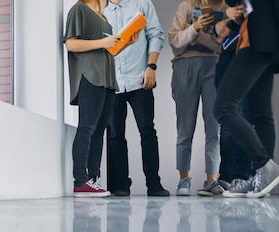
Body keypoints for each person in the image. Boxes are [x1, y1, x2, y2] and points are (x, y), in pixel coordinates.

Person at [64, 0, 138, 198]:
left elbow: (108, 50)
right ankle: (80, 182)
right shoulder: (79, 9)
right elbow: (70, 43)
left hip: (107, 78)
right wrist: (103, 42)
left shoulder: (103, 18)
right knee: (87, 127)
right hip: (90, 75)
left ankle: (93, 180)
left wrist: (126, 43)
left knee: (99, 131)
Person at [103, 0, 170, 197]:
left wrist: (151, 67)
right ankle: (121, 185)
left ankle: (154, 184)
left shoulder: (142, 3)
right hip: (112, 82)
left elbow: (155, 35)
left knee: (147, 131)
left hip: (140, 79)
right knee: (115, 135)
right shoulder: (102, 10)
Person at [214, 0, 279, 198]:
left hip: (258, 41)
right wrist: (231, 23)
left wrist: (228, 12)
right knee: (261, 114)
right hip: (260, 40)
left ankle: (264, 166)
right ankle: (261, 178)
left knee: (223, 108)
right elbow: (251, 7)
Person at [169, 0, 226, 196]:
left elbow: (222, 46)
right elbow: (174, 41)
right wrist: (196, 28)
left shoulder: (226, 8)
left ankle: (212, 180)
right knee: (184, 127)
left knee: (214, 128)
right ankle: (183, 180)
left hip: (215, 65)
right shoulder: (186, 5)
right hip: (185, 67)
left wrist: (192, 34)